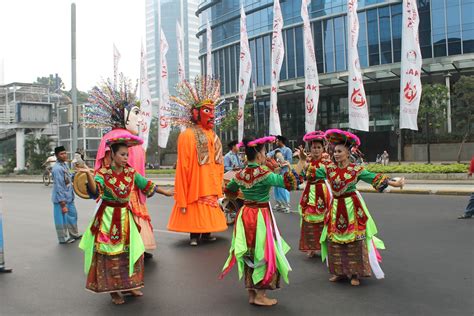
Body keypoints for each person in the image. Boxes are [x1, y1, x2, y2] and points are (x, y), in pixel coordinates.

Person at [297, 129, 404, 286]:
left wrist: (394, 183)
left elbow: (374, 178)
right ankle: (339, 272)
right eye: (335, 151)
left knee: (353, 240)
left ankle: (355, 274)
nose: (336, 154)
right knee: (334, 240)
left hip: (351, 207)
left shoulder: (356, 170)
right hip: (335, 206)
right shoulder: (329, 169)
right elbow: (311, 174)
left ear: (348, 152)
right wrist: (302, 161)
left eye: (340, 151)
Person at [78, 135, 173, 305]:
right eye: (122, 154)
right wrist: (89, 176)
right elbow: (95, 191)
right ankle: (113, 291)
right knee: (111, 256)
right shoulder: (103, 174)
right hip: (107, 218)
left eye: (127, 155)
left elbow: (146, 184)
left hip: (126, 217)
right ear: (112, 155)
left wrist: (166, 192)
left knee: (130, 254)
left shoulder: (131, 173)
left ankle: (129, 286)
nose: (125, 158)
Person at [219, 136, 300, 306]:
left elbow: (229, 192)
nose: (265, 155)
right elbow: (288, 183)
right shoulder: (264, 174)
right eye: (263, 152)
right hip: (261, 216)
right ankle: (261, 295)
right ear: (258, 154)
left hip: (245, 214)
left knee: (249, 252)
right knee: (264, 253)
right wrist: (299, 164)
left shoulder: (239, 174)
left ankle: (251, 294)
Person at [83, 77, 157, 259]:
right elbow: (105, 170)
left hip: (130, 188)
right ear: (124, 116)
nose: (140, 120)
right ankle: (125, 250)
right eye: (136, 114)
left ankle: (134, 248)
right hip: (117, 191)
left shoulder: (130, 141)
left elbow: (137, 174)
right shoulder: (116, 140)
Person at [167, 76, 228, 246]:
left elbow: (219, 162)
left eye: (212, 111)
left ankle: (206, 233)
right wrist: (183, 190)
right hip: (196, 181)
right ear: (196, 113)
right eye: (207, 111)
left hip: (211, 181)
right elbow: (183, 165)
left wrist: (219, 181)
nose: (212, 115)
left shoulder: (214, 136)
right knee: (195, 206)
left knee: (209, 206)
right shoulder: (187, 135)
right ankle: (194, 235)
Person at [295, 131, 332, 258]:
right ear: (310, 148)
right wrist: (301, 159)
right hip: (309, 191)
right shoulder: (308, 160)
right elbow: (300, 170)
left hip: (322, 192)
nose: (316, 150)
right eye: (314, 147)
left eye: (318, 147)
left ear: (323, 148)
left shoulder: (327, 162)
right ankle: (312, 247)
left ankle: (326, 246)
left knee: (324, 220)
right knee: (309, 222)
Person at [51, 146, 81, 244]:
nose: (64, 155)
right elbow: (59, 187)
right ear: (56, 156)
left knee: (73, 215)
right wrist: (62, 204)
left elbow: (68, 177)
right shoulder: (57, 169)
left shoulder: (64, 165)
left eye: (65, 153)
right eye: (61, 154)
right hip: (61, 200)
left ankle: (74, 234)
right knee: (62, 220)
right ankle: (63, 238)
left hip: (69, 198)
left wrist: (76, 173)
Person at [267, 135, 293, 213]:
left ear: (281, 141)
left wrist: (281, 164)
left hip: (284, 173)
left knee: (284, 189)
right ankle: (279, 204)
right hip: (277, 172)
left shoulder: (288, 150)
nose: (276, 142)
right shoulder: (277, 150)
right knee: (276, 189)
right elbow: (268, 155)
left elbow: (289, 162)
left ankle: (287, 205)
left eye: (277, 141)